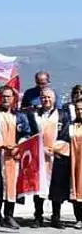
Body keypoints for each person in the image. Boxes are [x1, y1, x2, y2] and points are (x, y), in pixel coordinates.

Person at [0, 85, 31, 229]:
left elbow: (26, 134)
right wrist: (1, 145)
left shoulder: (20, 116)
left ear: (13, 98)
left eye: (9, 96)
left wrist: (19, 145)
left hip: (14, 157)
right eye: (3, 96)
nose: (6, 99)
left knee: (12, 186)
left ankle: (9, 215)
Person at [29, 87, 62, 226]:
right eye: (43, 97)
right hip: (39, 156)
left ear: (54, 99)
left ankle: (56, 217)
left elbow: (65, 134)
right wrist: (41, 149)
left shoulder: (62, 115)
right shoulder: (34, 115)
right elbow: (30, 134)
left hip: (57, 156)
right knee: (38, 187)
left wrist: (55, 149)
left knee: (56, 187)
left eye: (49, 97)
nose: (46, 100)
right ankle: (38, 217)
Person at [49, 99, 82, 227]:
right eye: (78, 109)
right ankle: (79, 218)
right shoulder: (71, 125)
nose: (80, 111)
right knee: (77, 188)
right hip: (75, 162)